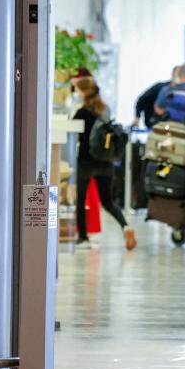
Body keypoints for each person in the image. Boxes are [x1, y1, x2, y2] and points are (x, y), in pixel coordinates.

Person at [72, 76, 137, 250]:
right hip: (105, 162)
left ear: (83, 92)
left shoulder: (81, 113)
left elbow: (75, 136)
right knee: (107, 202)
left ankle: (83, 238)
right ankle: (126, 226)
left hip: (86, 162)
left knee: (81, 200)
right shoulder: (105, 110)